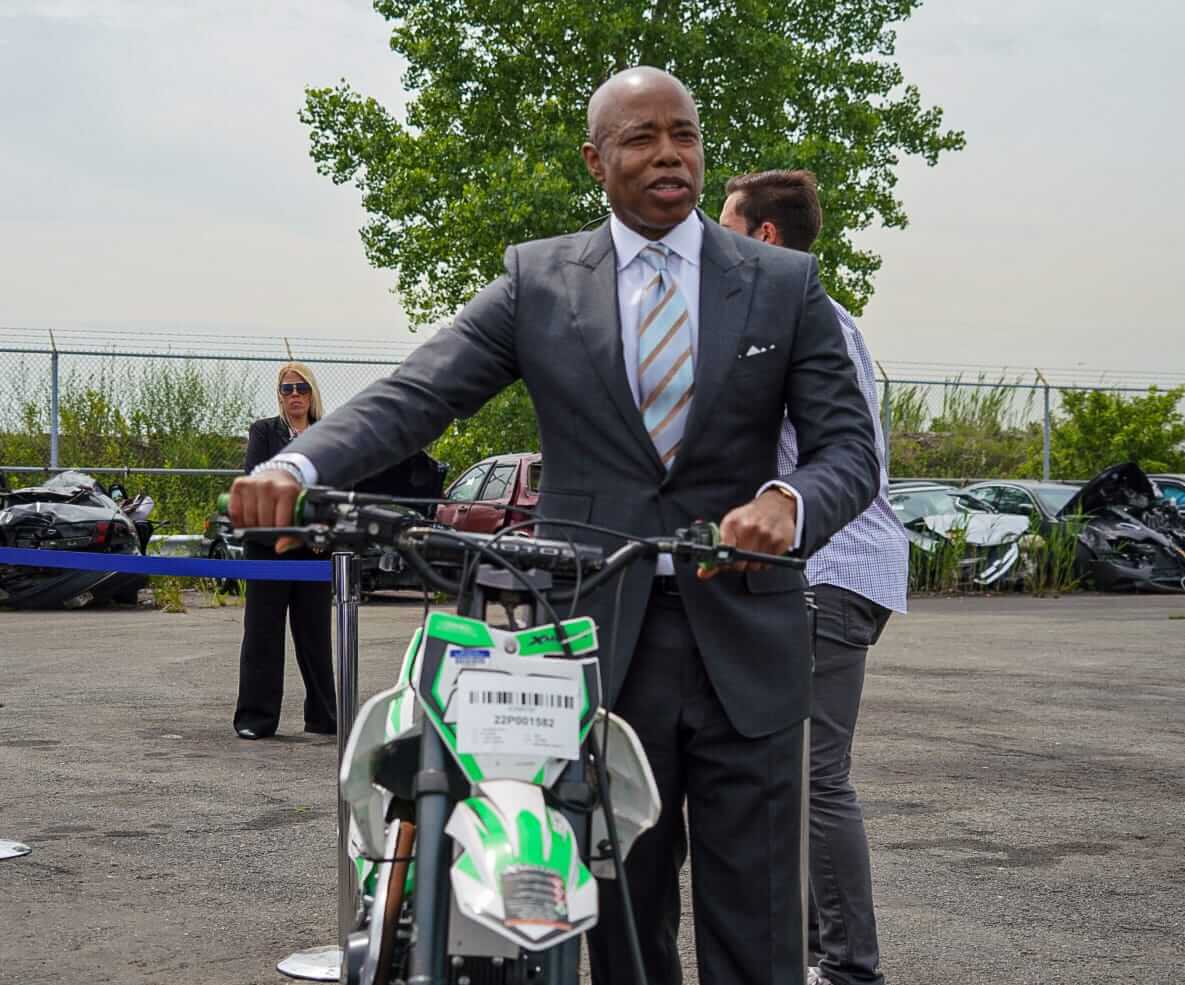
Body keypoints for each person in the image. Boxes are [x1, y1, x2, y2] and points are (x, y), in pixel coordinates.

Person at [230, 67, 880, 985]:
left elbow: (848, 449)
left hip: (749, 636)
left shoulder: (782, 282)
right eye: (640, 138)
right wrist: (295, 465)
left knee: (762, 921)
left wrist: (789, 503)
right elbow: (421, 392)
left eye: (683, 134)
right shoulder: (538, 280)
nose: (668, 155)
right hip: (595, 640)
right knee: (616, 921)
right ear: (595, 159)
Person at [721, 169, 909, 985]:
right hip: (834, 568)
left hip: (830, 568)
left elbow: (837, 463)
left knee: (814, 772)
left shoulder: (808, 322)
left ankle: (849, 969)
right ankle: (798, 953)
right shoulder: (820, 318)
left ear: (762, 237)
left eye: (723, 224)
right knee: (788, 769)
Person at [233, 362, 336, 741]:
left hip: (313, 550)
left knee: (315, 636)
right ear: (279, 396)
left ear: (312, 394)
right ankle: (255, 719)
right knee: (262, 635)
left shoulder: (327, 434)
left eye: (301, 388)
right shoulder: (264, 432)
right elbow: (258, 480)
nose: (295, 395)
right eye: (287, 389)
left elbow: (335, 485)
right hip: (267, 548)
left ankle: (325, 717)